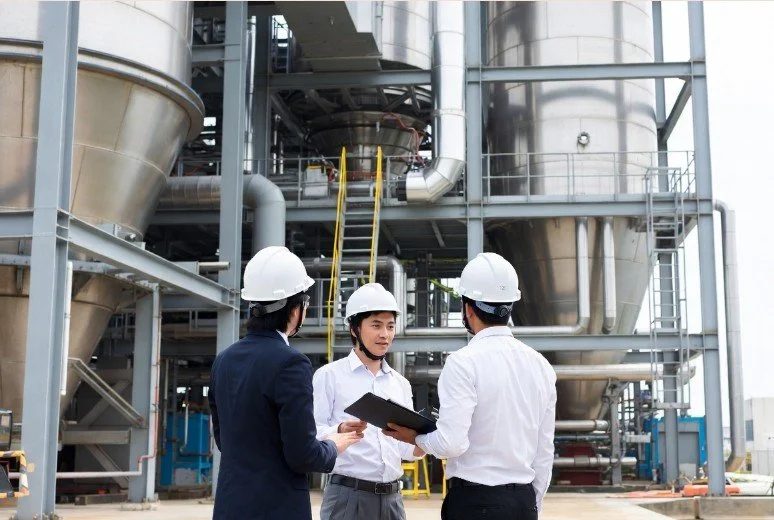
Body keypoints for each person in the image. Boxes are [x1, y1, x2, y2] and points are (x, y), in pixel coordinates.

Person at [384, 253, 557, 520]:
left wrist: (415, 438)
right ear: (510, 305)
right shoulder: (541, 366)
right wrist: (531, 505)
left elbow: (451, 443)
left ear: (468, 308)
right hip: (523, 501)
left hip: (475, 502)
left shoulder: (463, 362)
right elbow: (544, 452)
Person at [208, 246, 362, 520]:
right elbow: (302, 455)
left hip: (230, 507)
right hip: (276, 508)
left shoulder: (223, 360)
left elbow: (225, 441)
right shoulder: (291, 363)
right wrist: (333, 445)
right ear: (294, 308)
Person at [313, 283, 425, 520]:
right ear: (354, 329)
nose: (385, 334)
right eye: (376, 325)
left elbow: (406, 450)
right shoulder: (329, 376)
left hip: (393, 501)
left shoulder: (400, 384)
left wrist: (426, 440)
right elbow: (311, 434)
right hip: (347, 498)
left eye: (390, 326)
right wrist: (339, 430)